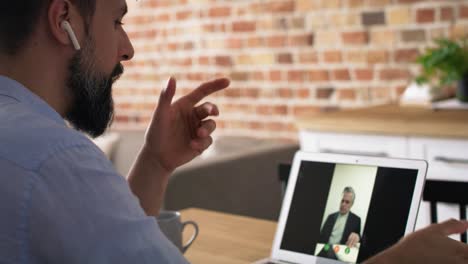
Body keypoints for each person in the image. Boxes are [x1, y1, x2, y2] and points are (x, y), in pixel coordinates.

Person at [0, 0, 467, 263]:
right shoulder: (55, 160)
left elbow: (91, 249)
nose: (128, 48)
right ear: (64, 20)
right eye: (117, 21)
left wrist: (155, 165)